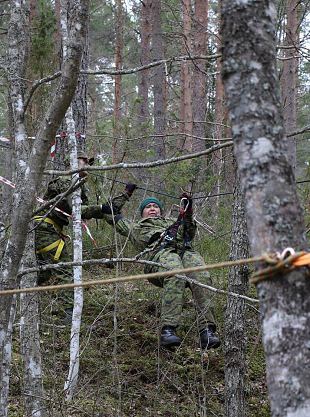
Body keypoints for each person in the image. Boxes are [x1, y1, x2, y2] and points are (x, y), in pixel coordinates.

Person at [84, 184, 221, 350]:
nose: (152, 209)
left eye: (155, 206)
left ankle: (207, 331)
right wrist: (126, 194)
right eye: (148, 207)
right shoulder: (134, 226)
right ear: (142, 212)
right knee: (175, 273)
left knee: (201, 277)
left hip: (186, 253)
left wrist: (188, 212)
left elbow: (188, 234)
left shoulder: (172, 222)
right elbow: (110, 212)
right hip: (159, 255)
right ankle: (168, 330)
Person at [34, 151, 105, 318]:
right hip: (45, 229)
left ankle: (11, 294)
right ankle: (69, 313)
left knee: (42, 273)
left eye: (89, 162)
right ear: (73, 163)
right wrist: (101, 209)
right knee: (65, 270)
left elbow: (84, 211)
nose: (87, 164)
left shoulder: (79, 185)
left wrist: (105, 208)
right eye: (83, 161)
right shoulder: (66, 180)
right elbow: (76, 208)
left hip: (48, 230)